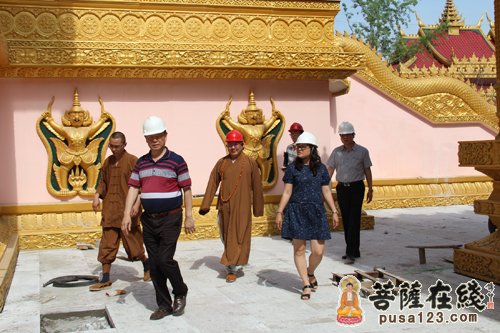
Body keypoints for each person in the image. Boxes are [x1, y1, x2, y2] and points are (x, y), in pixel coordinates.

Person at [121, 116, 196, 320]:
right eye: (150, 137)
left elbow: (187, 189)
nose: (154, 140)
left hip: (171, 218)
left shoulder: (177, 161)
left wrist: (189, 216)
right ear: (146, 139)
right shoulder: (141, 163)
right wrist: (127, 214)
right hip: (149, 219)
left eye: (158, 136)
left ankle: (180, 291)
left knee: (164, 259)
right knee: (154, 265)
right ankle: (164, 305)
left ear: (165, 135)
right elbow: (133, 188)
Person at [275, 132, 339, 300]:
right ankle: (305, 284)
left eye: (302, 147)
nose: (299, 150)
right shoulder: (292, 169)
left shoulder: (321, 169)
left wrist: (333, 210)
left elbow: (326, 190)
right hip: (296, 211)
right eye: (297, 147)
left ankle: (310, 272)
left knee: (318, 251)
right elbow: (287, 191)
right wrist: (280, 212)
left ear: (312, 148)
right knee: (300, 249)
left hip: (316, 212)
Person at [199, 129, 264, 283]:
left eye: (236, 144)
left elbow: (257, 186)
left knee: (239, 235)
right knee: (226, 236)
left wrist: (258, 208)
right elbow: (212, 182)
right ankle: (233, 263)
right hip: (225, 206)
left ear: (242, 145)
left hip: (242, 206)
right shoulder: (221, 163)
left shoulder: (250, 162)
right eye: (230, 145)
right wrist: (206, 204)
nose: (233, 147)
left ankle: (232, 268)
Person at [90, 131, 150, 291]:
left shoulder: (133, 161)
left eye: (117, 146)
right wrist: (96, 196)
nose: (114, 149)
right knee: (107, 244)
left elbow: (142, 185)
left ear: (124, 145)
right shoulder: (107, 162)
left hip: (128, 212)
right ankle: (105, 277)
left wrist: (137, 204)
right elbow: (103, 181)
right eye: (111, 146)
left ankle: (146, 263)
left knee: (134, 246)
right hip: (110, 210)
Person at [327, 121, 373, 265]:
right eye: (342, 135)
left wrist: (371, 188)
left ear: (353, 135)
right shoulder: (336, 152)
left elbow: (367, 170)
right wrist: (323, 186)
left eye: (348, 135)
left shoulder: (362, 151)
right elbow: (330, 170)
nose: (345, 138)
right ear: (340, 137)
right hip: (342, 189)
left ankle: (351, 251)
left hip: (357, 188)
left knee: (354, 218)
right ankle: (353, 249)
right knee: (346, 219)